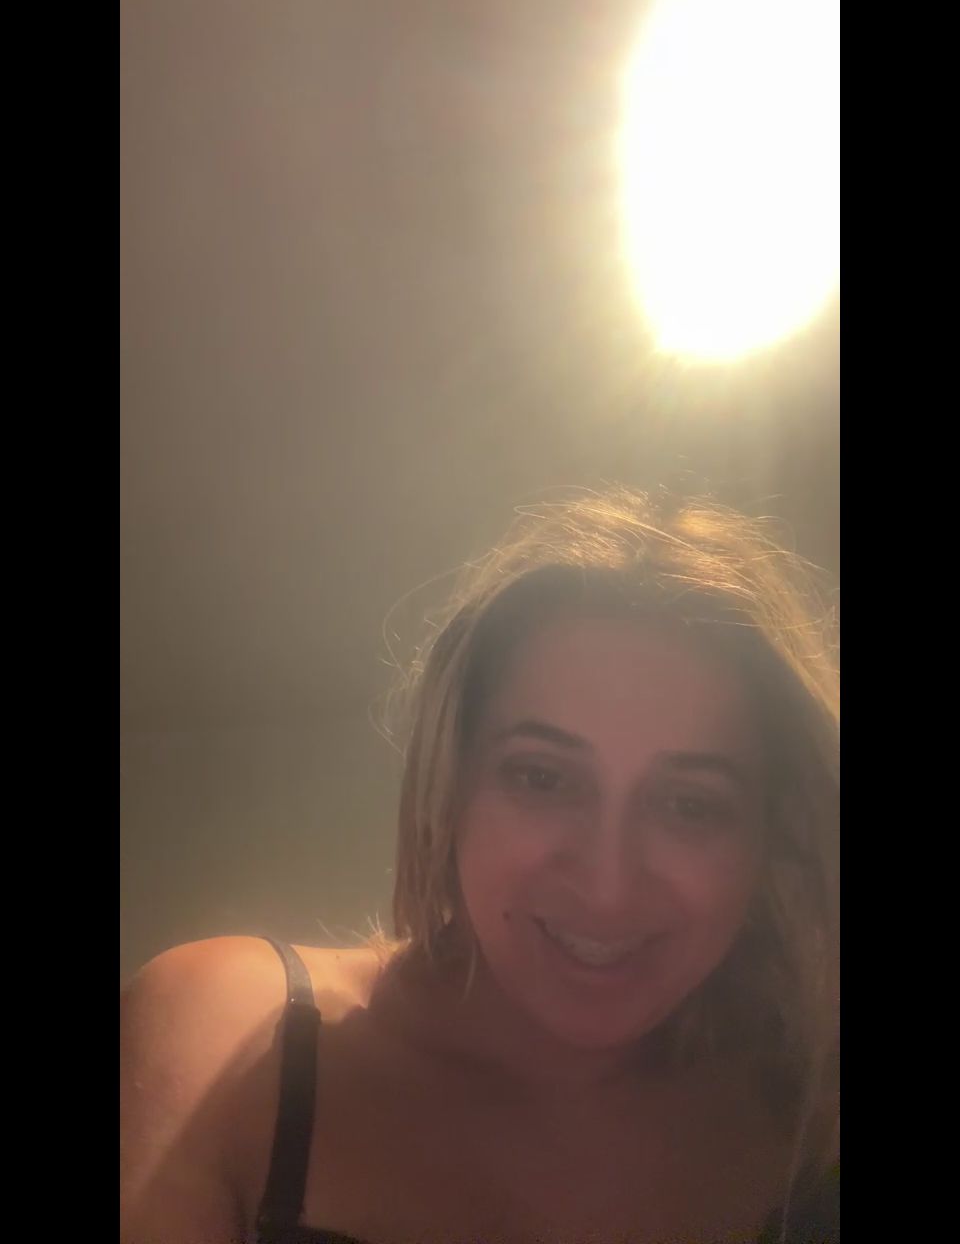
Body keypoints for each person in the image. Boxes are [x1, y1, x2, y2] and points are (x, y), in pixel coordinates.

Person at [121, 486, 839, 1244]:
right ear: (451, 784)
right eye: (542, 778)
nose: (607, 887)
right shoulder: (230, 1036)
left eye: (690, 805)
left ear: (770, 832)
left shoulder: (813, 1110)